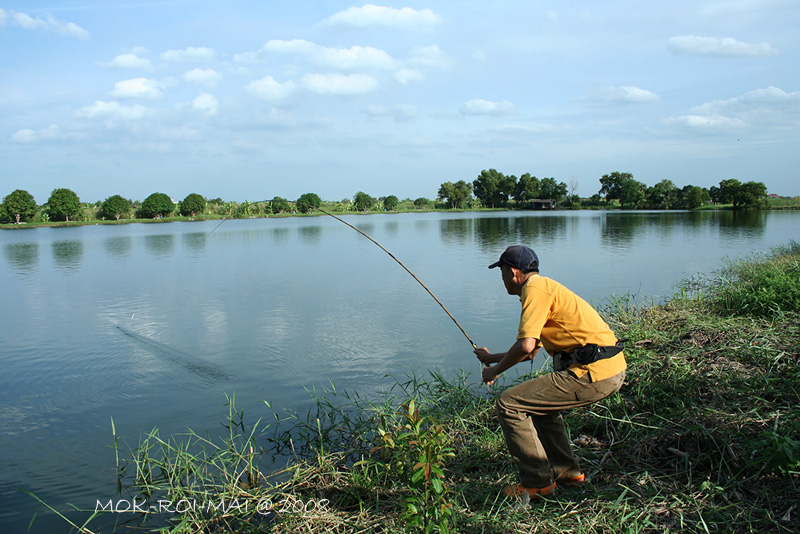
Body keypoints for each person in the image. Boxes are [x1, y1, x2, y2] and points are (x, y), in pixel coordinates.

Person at [474, 245, 626, 500]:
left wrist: (494, 372)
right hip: (605, 368)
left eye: (501, 273)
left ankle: (537, 483)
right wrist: (492, 359)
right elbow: (531, 351)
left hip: (595, 372)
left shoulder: (534, 289)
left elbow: (526, 347)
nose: (501, 280)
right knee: (539, 407)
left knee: (509, 403)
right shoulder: (543, 288)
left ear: (512, 272)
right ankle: (568, 473)